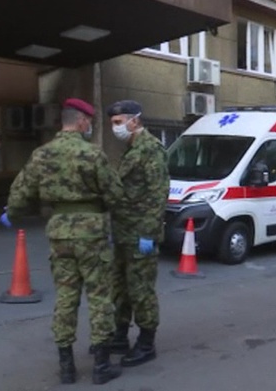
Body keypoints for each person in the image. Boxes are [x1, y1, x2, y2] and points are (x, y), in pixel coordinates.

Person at [0, 98, 124, 385]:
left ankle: (67, 367)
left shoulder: (41, 154)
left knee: (66, 296)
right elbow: (116, 194)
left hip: (59, 233)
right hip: (91, 233)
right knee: (99, 297)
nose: (89, 126)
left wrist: (12, 213)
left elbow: (20, 192)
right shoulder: (93, 154)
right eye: (88, 122)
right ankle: (101, 366)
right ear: (81, 122)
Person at [106, 100, 170, 367]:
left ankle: (146, 342)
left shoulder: (151, 149)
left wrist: (148, 234)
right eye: (113, 123)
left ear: (134, 120)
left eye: (118, 122)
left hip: (141, 233)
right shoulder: (130, 149)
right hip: (123, 233)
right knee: (120, 287)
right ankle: (120, 335)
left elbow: (158, 194)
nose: (115, 128)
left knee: (141, 289)